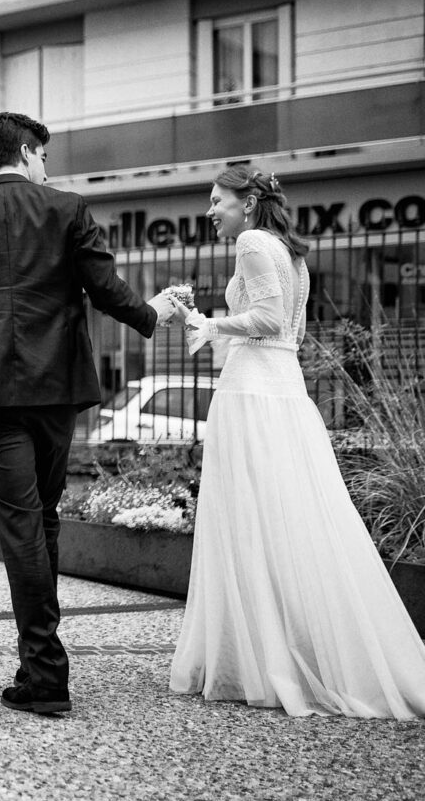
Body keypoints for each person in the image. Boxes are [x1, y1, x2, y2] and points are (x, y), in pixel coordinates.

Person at [0, 111, 174, 715]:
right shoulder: (67, 210)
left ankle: (45, 672)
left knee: (22, 526)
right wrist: (151, 315)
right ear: (28, 153)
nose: (47, 167)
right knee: (44, 519)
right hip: (57, 393)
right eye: (44, 156)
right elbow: (105, 288)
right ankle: (41, 666)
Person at [169, 167, 425, 719]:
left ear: (248, 203)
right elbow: (293, 332)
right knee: (294, 518)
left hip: (252, 396)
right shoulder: (291, 251)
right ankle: (289, 648)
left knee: (250, 520)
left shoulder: (252, 241)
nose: (211, 211)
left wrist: (208, 325)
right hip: (285, 390)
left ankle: (263, 658)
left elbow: (264, 318)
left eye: (217, 201)